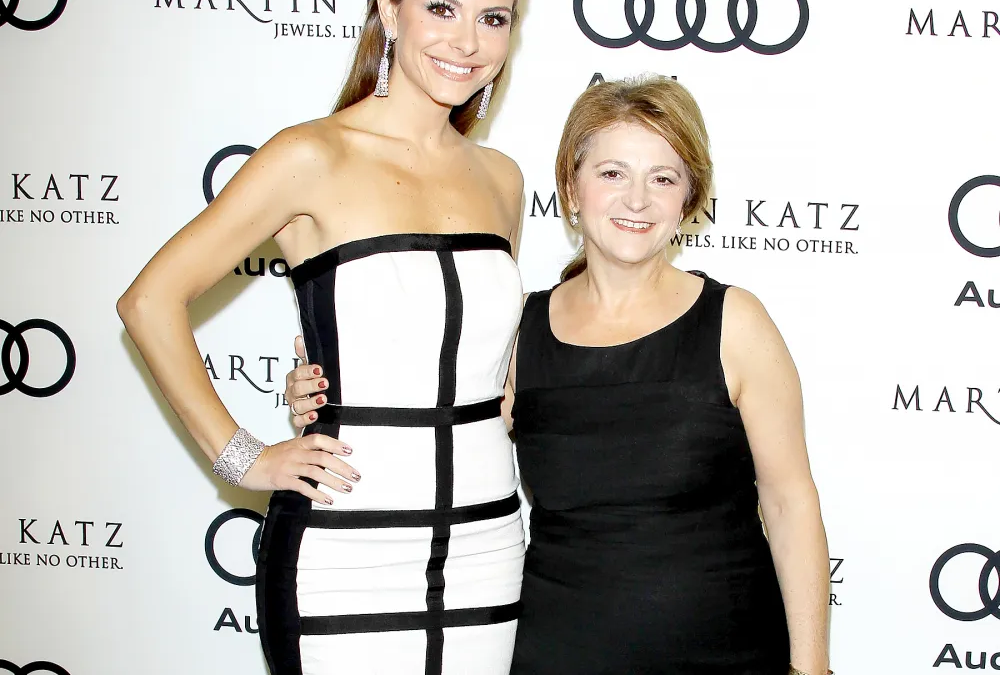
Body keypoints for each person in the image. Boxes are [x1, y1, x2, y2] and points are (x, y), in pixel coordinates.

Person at [286, 76, 832, 674]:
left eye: (664, 178)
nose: (637, 200)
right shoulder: (521, 332)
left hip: (729, 652)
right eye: (613, 173)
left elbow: (789, 503)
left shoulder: (735, 323)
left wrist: (812, 668)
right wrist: (328, 393)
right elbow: (438, 433)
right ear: (571, 189)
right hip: (560, 652)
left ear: (688, 199)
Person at [117, 0, 530, 675]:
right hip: (344, 548)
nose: (467, 42)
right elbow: (149, 300)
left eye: (494, 19)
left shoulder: (501, 181)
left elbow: (487, 364)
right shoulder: (311, 156)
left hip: (485, 542)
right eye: (442, 7)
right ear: (389, 5)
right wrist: (242, 457)